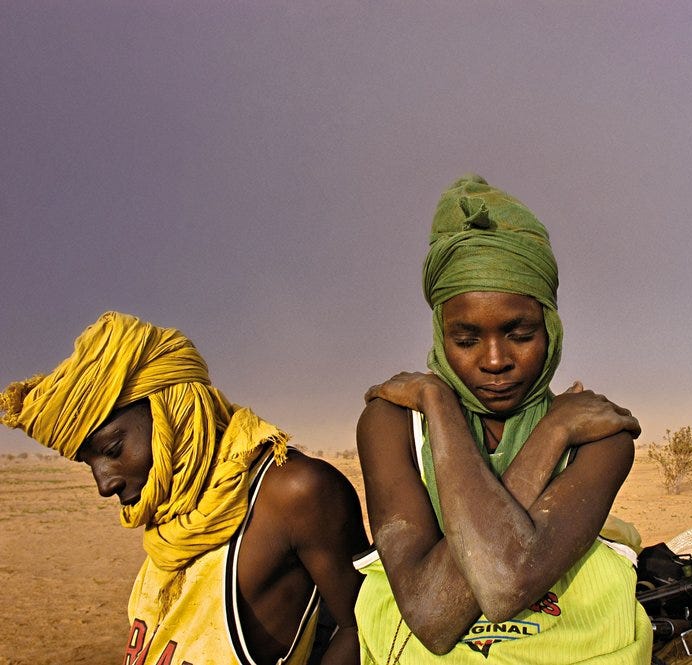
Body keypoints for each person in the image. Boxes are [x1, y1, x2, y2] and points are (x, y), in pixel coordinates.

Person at [354, 175, 654, 663]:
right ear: (440, 336)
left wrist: (554, 428)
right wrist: (442, 404)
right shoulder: (393, 425)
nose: (495, 361)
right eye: (466, 340)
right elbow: (431, 617)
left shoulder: (600, 436)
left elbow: (505, 584)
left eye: (520, 334)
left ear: (550, 329)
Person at [0, 312, 369, 665]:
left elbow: (365, 632)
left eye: (112, 450)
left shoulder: (294, 494)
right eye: (89, 462)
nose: (104, 483)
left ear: (171, 410)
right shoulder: (177, 511)